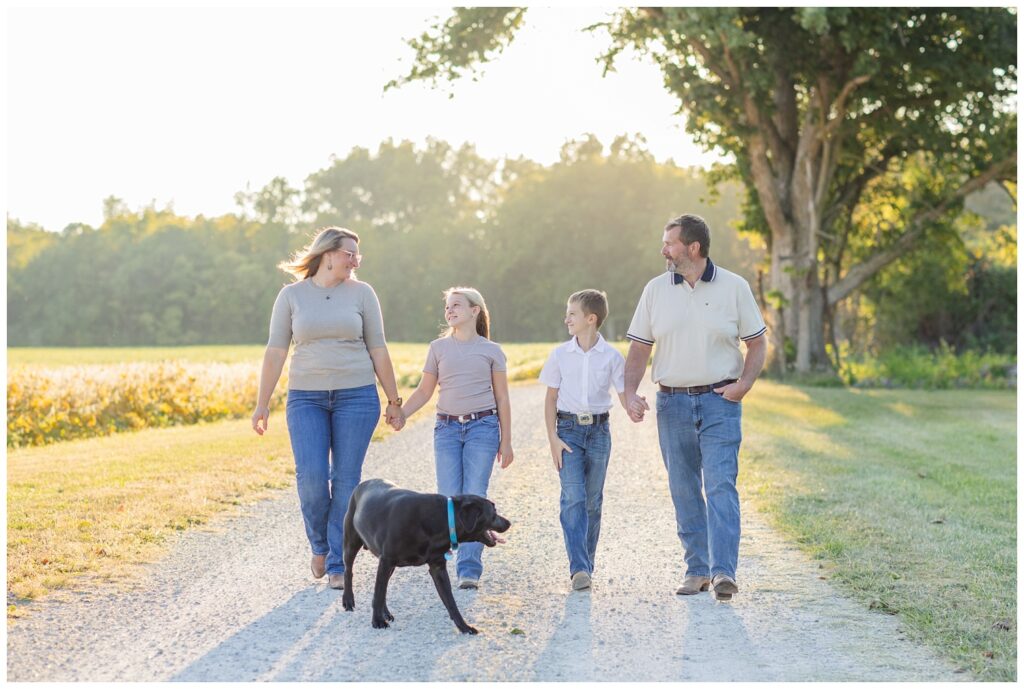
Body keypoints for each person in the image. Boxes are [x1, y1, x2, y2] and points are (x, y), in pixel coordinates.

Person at [251, 226, 405, 591]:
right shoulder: (291, 296)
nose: (355, 261)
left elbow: (378, 348)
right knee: (313, 480)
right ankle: (319, 545)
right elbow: (275, 351)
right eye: (350, 253)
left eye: (357, 255)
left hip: (357, 396)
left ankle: (338, 561)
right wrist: (261, 404)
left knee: (347, 481)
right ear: (328, 254)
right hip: (306, 398)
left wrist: (394, 400)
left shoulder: (363, 294)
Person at [623, 214, 767, 601]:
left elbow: (757, 343)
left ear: (693, 248)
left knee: (721, 485)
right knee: (684, 487)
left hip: (720, 402)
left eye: (669, 243)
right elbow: (639, 347)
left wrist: (744, 385)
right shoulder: (655, 290)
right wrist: (628, 392)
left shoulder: (734, 287)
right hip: (671, 403)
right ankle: (697, 570)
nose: (663, 250)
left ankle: (723, 573)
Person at [399, 286, 513, 590]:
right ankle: (442, 557)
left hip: (483, 428)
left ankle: (469, 567)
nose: (449, 311)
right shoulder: (438, 348)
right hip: (447, 429)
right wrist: (403, 414)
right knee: (448, 498)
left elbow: (502, 398)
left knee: (475, 496)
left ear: (475, 311)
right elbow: (425, 391)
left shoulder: (491, 350)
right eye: (447, 307)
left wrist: (507, 440)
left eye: (456, 306)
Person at [539, 289, 626, 592]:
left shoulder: (612, 356)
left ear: (591, 319)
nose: (567, 319)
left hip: (600, 432)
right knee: (573, 496)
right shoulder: (560, 355)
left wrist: (635, 405)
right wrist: (552, 438)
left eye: (572, 314)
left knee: (592, 501)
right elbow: (550, 399)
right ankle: (578, 568)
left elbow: (625, 394)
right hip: (568, 431)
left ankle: (586, 564)